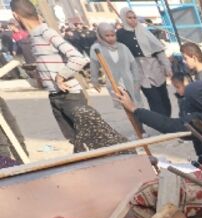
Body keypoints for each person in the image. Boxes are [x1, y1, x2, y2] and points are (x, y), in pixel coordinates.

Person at [9, 0, 89, 142]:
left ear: (15, 16)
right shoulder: (34, 36)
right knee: (76, 142)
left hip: (70, 95)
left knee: (91, 139)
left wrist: (60, 77)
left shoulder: (46, 32)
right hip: (55, 97)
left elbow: (78, 58)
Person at [117, 7, 173, 117]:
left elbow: (159, 51)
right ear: (123, 18)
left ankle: (168, 120)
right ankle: (161, 122)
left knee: (164, 97)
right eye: (129, 18)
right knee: (153, 99)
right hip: (139, 71)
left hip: (154, 67)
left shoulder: (144, 31)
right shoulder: (120, 34)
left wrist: (167, 67)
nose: (133, 20)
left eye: (134, 17)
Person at [88, 21, 144, 107]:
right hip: (113, 82)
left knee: (137, 106)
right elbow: (94, 65)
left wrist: (137, 79)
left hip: (129, 80)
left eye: (112, 35)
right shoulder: (96, 48)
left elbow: (133, 63)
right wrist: (94, 80)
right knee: (124, 106)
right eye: (107, 36)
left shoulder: (122, 46)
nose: (110, 38)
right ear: (100, 36)